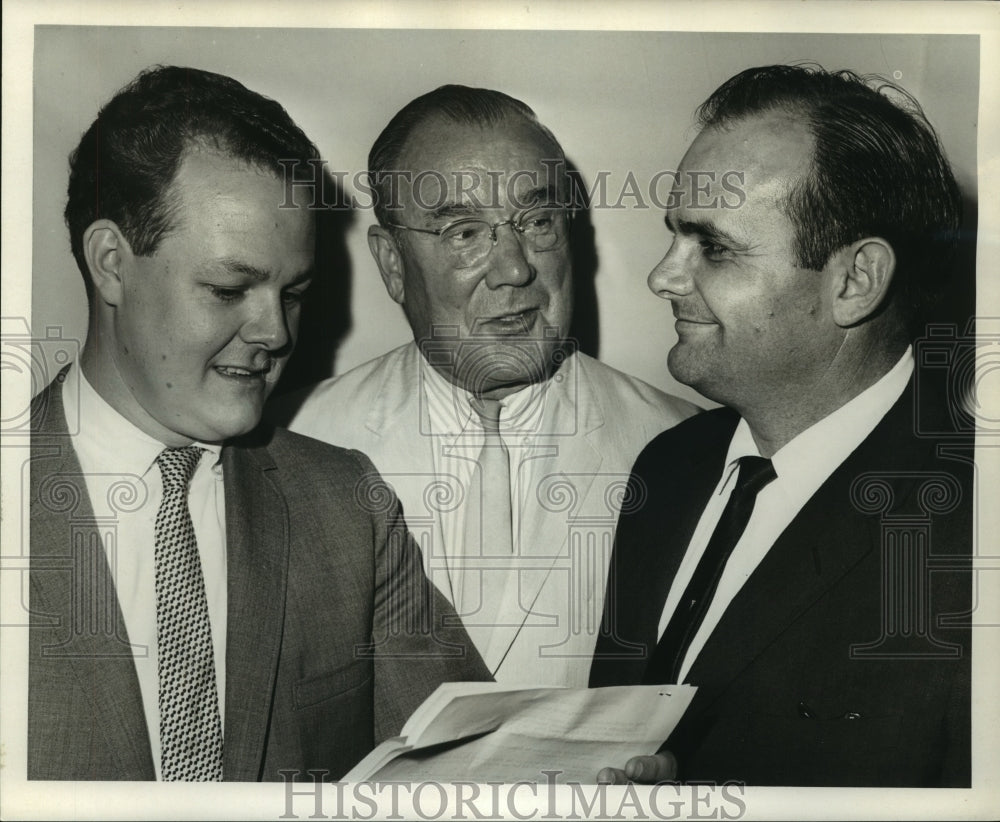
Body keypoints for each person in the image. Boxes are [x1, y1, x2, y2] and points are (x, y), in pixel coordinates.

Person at [28, 65, 487, 782]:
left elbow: (476, 773)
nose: (274, 331)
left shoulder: (348, 506)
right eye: (229, 288)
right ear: (111, 263)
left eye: (293, 293)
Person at [590, 65, 972, 787]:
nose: (663, 277)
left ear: (855, 281)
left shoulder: (965, 538)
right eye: (675, 236)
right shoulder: (669, 466)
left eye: (715, 247)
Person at [283, 85, 698, 687]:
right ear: (392, 263)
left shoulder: (690, 450)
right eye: (464, 232)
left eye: (538, 221)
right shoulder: (290, 445)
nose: (515, 269)